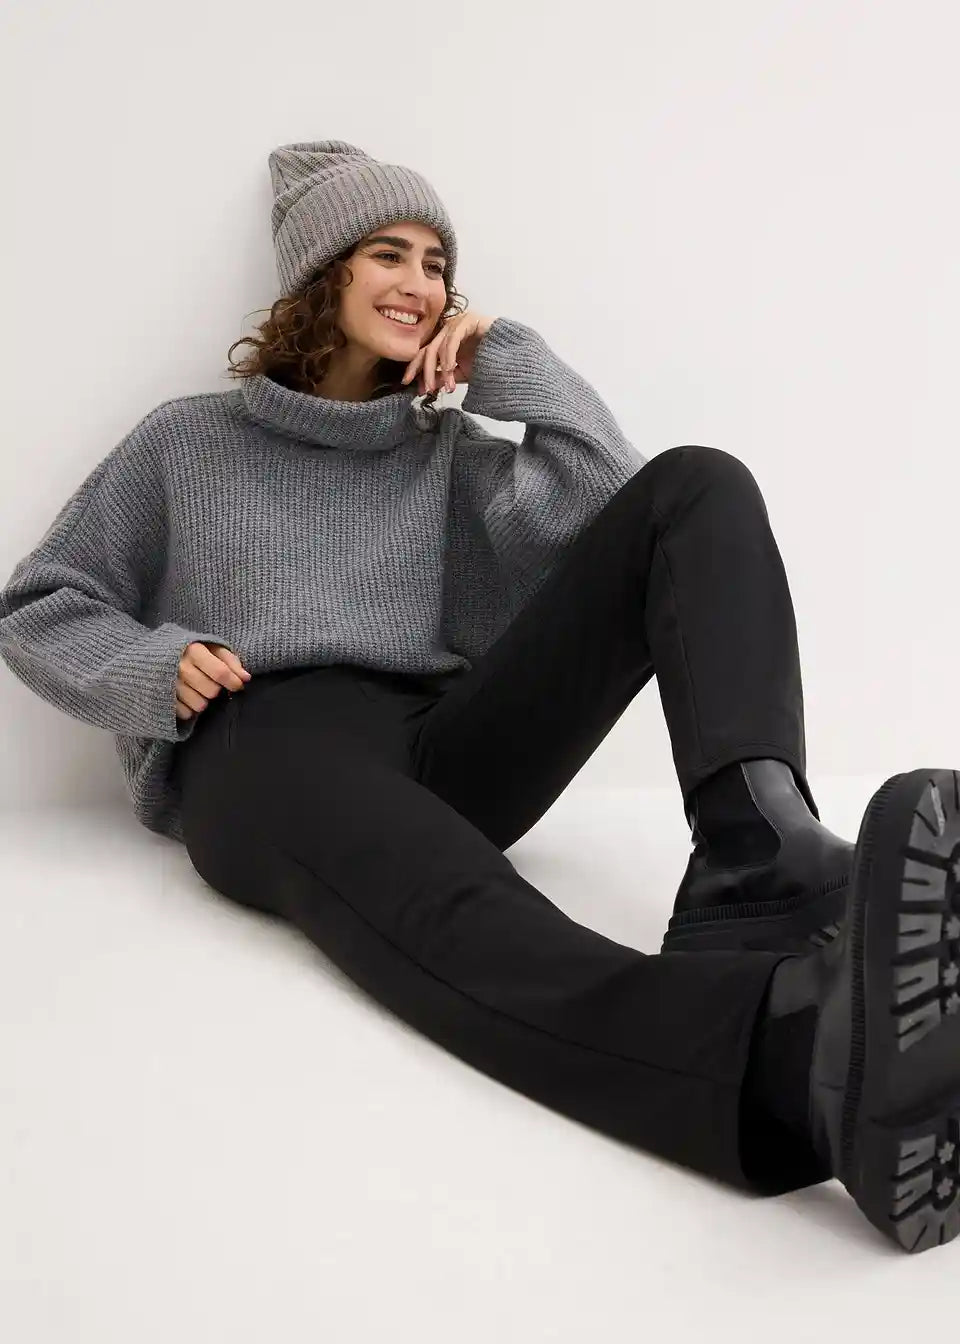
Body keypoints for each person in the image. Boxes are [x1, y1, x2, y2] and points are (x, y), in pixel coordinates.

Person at [2, 140, 958, 1256]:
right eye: (387, 254)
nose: (420, 282)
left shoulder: (444, 456)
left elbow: (624, 516)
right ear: (322, 274)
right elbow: (39, 603)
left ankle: (760, 857)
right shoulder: (187, 442)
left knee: (699, 482)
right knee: (468, 914)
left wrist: (511, 362)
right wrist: (152, 669)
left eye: (438, 264)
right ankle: (794, 1055)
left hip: (438, 740)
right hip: (263, 738)